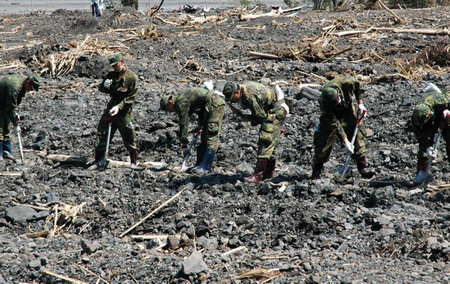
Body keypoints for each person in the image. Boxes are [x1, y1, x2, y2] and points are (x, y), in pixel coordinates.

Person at [222, 81, 289, 182]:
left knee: (266, 139)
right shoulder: (245, 89)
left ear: (237, 92)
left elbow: (259, 116)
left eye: (232, 97)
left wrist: (248, 118)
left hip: (276, 110)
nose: (232, 101)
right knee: (272, 141)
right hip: (273, 109)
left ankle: (258, 175)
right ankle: (268, 173)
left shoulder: (249, 96)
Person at [311, 76, 374, 179]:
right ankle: (316, 171)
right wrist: (345, 141)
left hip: (348, 111)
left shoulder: (346, 83)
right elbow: (334, 123)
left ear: (339, 94)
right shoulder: (324, 102)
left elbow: (358, 87)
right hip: (332, 117)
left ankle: (363, 167)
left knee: (357, 135)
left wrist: (360, 103)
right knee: (323, 141)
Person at [160, 84, 225, 173]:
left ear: (170, 102)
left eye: (168, 109)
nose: (171, 111)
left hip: (215, 104)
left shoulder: (180, 102)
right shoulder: (183, 98)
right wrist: (200, 125)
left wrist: (184, 143)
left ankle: (205, 167)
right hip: (210, 105)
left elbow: (184, 122)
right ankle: (199, 165)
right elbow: (200, 109)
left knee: (211, 136)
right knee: (204, 138)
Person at [92, 54, 138, 167]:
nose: (115, 68)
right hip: (111, 106)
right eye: (113, 66)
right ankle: (98, 160)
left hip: (124, 110)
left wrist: (119, 107)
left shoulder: (131, 78)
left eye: (116, 65)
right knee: (102, 132)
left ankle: (134, 162)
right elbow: (102, 89)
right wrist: (105, 86)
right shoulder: (111, 75)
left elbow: (131, 98)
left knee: (129, 135)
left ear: (122, 62)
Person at [411, 83, 450, 184]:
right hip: (431, 119)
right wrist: (428, 147)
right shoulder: (416, 117)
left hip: (443, 112)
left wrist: (447, 110)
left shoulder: (441, 101)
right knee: (423, 149)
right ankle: (420, 176)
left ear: (428, 116)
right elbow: (421, 135)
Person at [0, 74, 41, 161]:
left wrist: (15, 116)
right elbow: (11, 106)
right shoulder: (15, 86)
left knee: (7, 124)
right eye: (31, 88)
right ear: (27, 82)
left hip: (5, 100)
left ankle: (6, 151)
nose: (30, 90)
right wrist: (15, 122)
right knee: (0, 125)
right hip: (1, 99)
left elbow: (15, 103)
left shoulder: (23, 86)